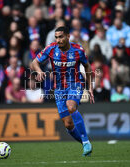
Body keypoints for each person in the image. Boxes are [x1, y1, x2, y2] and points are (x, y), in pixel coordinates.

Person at [31, 26, 94, 156]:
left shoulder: (78, 50)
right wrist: (39, 71)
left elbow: (87, 66)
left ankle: (86, 141)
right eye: (57, 37)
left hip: (75, 83)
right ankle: (84, 143)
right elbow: (35, 62)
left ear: (68, 36)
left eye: (61, 37)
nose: (58, 40)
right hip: (59, 88)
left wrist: (90, 87)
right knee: (68, 124)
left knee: (71, 106)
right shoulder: (51, 49)